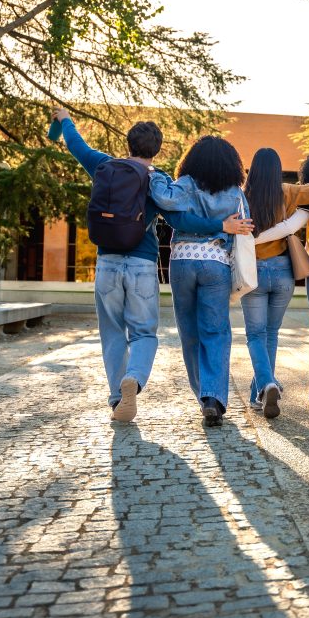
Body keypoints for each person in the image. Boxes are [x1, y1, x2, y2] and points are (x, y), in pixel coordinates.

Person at [49, 108, 253, 422]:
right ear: (156, 149)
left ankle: (119, 396)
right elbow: (179, 219)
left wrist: (65, 120)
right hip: (144, 264)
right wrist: (219, 227)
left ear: (129, 143)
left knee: (114, 331)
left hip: (107, 264)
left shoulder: (105, 165)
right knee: (145, 333)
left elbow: (77, 146)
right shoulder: (156, 180)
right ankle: (151, 382)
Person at [240, 147, 309, 419]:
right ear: (278, 169)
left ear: (252, 170)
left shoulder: (241, 196)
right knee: (271, 332)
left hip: (252, 271)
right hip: (282, 272)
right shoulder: (290, 192)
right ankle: (261, 390)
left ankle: (266, 385)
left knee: (256, 334)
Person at [147, 137, 249, 427]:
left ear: (192, 160)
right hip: (216, 262)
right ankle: (213, 397)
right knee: (215, 332)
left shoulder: (187, 182)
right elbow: (246, 225)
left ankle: (202, 399)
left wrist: (155, 176)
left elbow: (165, 199)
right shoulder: (235, 192)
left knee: (189, 332)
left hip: (181, 261)